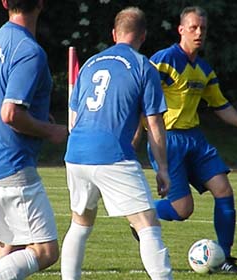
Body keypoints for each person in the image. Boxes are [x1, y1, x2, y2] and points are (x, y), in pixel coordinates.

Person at [132, 5, 237, 273]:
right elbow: (141, 94)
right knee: (182, 210)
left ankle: (224, 257)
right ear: (181, 30)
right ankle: (141, 217)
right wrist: (135, 133)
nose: (199, 32)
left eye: (203, 28)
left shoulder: (203, 69)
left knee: (224, 189)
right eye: (193, 27)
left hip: (195, 139)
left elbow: (220, 105)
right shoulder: (165, 60)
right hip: (167, 140)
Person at [61, 7, 173, 280]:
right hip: (110, 154)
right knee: (147, 224)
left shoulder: (89, 64)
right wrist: (163, 168)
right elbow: (155, 124)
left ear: (114, 34)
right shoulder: (144, 66)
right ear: (143, 36)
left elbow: (73, 120)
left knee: (80, 223)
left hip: (75, 153)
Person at [0, 0, 67, 279]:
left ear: (3, 2)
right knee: (46, 251)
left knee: (10, 249)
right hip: (10, 165)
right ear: (41, 3)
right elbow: (10, 114)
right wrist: (52, 131)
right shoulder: (28, 51)